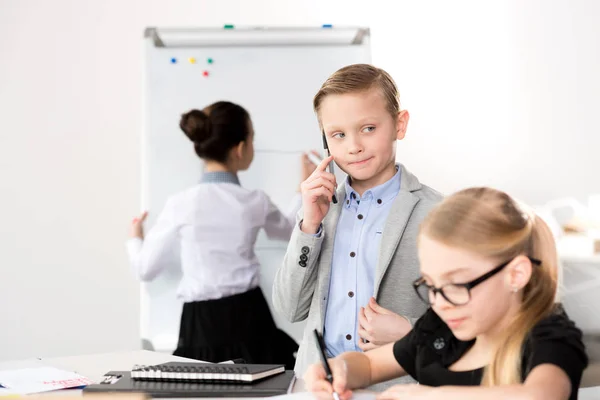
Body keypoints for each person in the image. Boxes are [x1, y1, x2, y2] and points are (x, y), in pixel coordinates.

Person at [305, 187, 588, 400]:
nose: (440, 303)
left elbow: (540, 396)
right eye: (431, 285)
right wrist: (339, 369)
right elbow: (367, 365)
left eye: (455, 286)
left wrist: (429, 396)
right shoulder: (439, 330)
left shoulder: (549, 336)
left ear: (515, 275)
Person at [272, 64, 443, 380]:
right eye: (338, 134)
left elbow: (471, 323)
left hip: (398, 385)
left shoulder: (439, 213)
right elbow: (290, 308)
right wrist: (309, 226)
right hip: (320, 384)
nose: (353, 146)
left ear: (399, 125)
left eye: (368, 128)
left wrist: (410, 331)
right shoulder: (318, 211)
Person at [128, 101, 317, 369]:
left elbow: (145, 269)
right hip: (250, 315)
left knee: (203, 393)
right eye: (252, 137)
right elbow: (290, 231)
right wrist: (302, 190)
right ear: (240, 148)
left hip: (199, 322)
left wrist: (135, 237)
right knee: (265, 389)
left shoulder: (180, 203)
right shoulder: (254, 201)